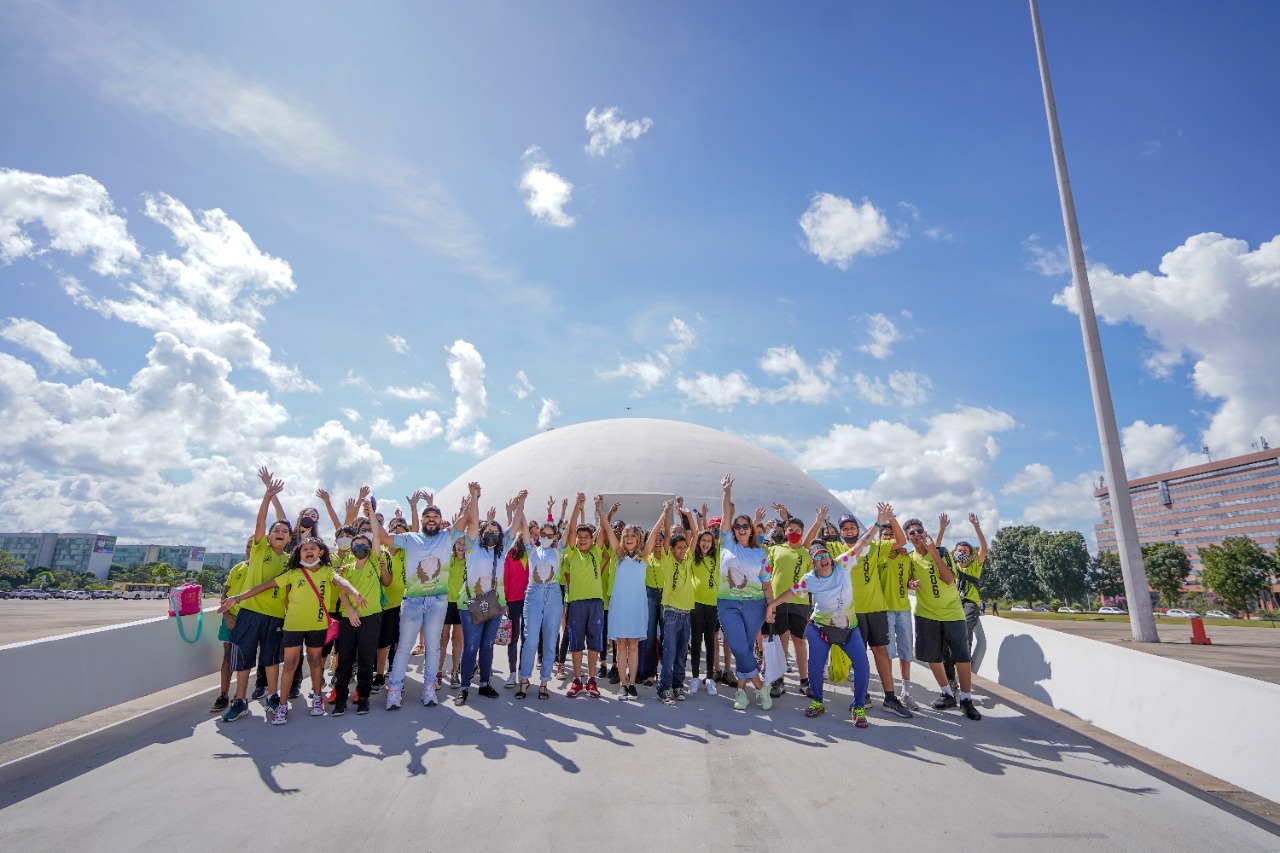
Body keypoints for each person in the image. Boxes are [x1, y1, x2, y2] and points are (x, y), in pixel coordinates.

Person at [219, 535, 365, 725]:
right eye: (305, 549)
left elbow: (340, 581)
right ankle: (281, 704)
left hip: (317, 625)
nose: (309, 551)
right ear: (299, 553)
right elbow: (265, 585)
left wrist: (354, 592)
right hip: (293, 626)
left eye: (313, 548)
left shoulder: (328, 571)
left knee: (315, 662)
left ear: (321, 552)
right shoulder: (294, 573)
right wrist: (237, 598)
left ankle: (317, 698)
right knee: (289, 664)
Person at [819, 504, 913, 718]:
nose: (849, 531)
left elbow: (900, 541)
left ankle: (890, 698)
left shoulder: (876, 547)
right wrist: (819, 522)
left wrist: (892, 519)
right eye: (844, 528)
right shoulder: (836, 550)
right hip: (852, 612)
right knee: (858, 656)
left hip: (876, 609)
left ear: (858, 530)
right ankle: (862, 696)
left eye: (852, 527)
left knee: (881, 652)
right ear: (840, 532)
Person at [766, 542, 871, 727]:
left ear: (830, 557)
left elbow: (862, 544)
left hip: (848, 628)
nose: (823, 560)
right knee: (815, 666)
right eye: (818, 557)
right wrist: (773, 604)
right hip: (820, 628)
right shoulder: (810, 579)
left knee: (862, 664)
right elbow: (791, 592)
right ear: (813, 562)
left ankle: (859, 706)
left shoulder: (843, 564)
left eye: (825, 555)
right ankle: (818, 702)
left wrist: (878, 523)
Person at [220, 472, 293, 723]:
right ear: (269, 536)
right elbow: (261, 522)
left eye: (285, 531)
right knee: (243, 661)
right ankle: (240, 700)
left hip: (275, 616)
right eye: (277, 530)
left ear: (289, 539)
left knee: (271, 660)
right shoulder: (260, 549)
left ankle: (273, 696)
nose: (280, 533)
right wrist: (267, 495)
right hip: (249, 613)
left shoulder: (290, 561)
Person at [378, 490, 455, 709]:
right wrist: (372, 514)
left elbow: (465, 522)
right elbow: (384, 538)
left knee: (433, 647)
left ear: (440, 520)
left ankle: (429, 689)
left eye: (435, 517)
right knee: (403, 647)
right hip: (412, 600)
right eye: (427, 517)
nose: (431, 520)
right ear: (421, 520)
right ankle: (394, 690)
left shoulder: (447, 536)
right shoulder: (410, 538)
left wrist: (473, 498)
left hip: (437, 600)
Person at [902, 518, 982, 721]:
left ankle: (966, 698)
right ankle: (947, 693)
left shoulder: (944, 552)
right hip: (926, 614)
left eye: (919, 530)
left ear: (924, 531)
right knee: (933, 657)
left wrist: (934, 553)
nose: (917, 534)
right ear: (907, 538)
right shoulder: (909, 558)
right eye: (912, 533)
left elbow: (948, 579)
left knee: (961, 657)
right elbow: (905, 582)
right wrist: (910, 584)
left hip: (952, 613)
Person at [454, 482, 516, 706]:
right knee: (471, 646)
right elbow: (472, 521)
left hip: (495, 604)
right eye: (487, 532)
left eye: (495, 532)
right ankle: (463, 687)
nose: (492, 534)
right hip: (470, 602)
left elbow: (515, 525)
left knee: (487, 645)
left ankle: (485, 683)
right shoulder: (472, 547)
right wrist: (474, 497)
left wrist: (520, 505)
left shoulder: (501, 551)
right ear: (480, 534)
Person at [717, 474, 774, 711]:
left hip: (755, 605)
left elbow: (767, 585)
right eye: (736, 526)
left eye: (744, 526)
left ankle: (741, 692)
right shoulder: (726, 544)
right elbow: (726, 515)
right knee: (739, 646)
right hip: (728, 604)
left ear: (751, 530)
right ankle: (761, 688)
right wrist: (727, 493)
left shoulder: (761, 554)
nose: (740, 529)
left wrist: (770, 607)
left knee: (746, 646)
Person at [600, 498, 662, 700]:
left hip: (636, 606)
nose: (628, 539)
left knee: (633, 644)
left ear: (638, 539)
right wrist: (600, 509)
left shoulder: (643, 557)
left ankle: (632, 683)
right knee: (621, 644)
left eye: (632, 536)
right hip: (620, 606)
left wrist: (664, 513)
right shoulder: (618, 555)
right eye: (626, 536)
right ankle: (622, 683)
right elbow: (609, 531)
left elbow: (653, 535)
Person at [332, 509, 389, 716]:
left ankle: (363, 696)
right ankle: (340, 699)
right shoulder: (346, 567)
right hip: (349, 619)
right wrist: (350, 612)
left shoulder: (375, 560)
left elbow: (376, 532)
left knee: (366, 659)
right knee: (345, 661)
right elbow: (342, 594)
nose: (360, 547)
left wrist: (371, 514)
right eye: (356, 544)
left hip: (372, 617)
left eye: (364, 544)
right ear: (351, 548)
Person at [511, 495, 565, 701]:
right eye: (543, 534)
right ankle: (524, 680)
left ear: (555, 537)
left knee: (550, 640)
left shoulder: (558, 551)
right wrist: (521, 505)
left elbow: (568, 531)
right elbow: (523, 526)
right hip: (533, 594)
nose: (546, 537)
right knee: (530, 640)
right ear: (539, 534)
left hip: (553, 595)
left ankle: (544, 682)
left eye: (550, 535)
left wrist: (577, 507)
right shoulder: (532, 551)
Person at [559, 492, 609, 699]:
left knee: (594, 644)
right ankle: (577, 680)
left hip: (595, 603)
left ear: (592, 539)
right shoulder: (571, 553)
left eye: (586, 537)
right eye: (579, 537)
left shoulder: (597, 552)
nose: (581, 540)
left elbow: (604, 530)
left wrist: (599, 509)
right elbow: (571, 529)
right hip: (576, 603)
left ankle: (591, 680)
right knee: (576, 643)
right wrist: (577, 507)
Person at [766, 510, 813, 698]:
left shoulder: (808, 554)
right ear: (785, 532)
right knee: (781, 641)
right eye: (790, 529)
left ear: (802, 532)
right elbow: (766, 573)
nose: (794, 532)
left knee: (800, 641)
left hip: (799, 602)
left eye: (798, 530)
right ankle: (779, 680)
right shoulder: (775, 549)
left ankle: (804, 681)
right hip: (778, 601)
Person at [654, 500, 697, 706]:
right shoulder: (669, 559)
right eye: (678, 547)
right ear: (671, 549)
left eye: (684, 547)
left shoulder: (688, 559)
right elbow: (666, 535)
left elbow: (695, 536)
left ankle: (678, 684)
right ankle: (664, 687)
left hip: (686, 613)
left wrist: (687, 516)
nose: (682, 550)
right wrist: (667, 511)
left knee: (681, 652)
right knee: (669, 652)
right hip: (671, 613)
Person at [876, 522, 921, 711]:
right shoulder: (878, 557)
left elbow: (910, 581)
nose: (888, 538)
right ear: (880, 538)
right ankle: (890, 691)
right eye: (885, 535)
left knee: (906, 652)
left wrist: (913, 584)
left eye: (892, 535)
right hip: (884, 610)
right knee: (887, 653)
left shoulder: (906, 558)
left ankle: (906, 691)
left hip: (903, 609)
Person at [937, 512, 989, 675]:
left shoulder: (974, 566)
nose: (962, 553)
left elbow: (984, 548)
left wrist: (976, 526)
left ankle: (964, 657)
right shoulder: (951, 565)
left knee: (965, 626)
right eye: (959, 550)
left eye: (965, 551)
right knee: (945, 635)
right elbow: (936, 549)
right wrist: (942, 529)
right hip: (952, 602)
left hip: (969, 602)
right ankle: (951, 673)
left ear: (971, 555)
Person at [210, 539, 252, 714]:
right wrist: (227, 615)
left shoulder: (263, 569)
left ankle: (240, 696)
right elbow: (225, 593)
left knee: (245, 657)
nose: (250, 550)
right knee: (227, 656)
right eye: (248, 547)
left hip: (250, 618)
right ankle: (223, 694)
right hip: (231, 618)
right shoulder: (238, 567)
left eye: (253, 547)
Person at [372, 510, 410, 695]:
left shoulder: (405, 553)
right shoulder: (383, 554)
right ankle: (379, 675)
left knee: (397, 640)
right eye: (396, 532)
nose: (399, 536)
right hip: (383, 605)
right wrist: (371, 514)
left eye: (403, 533)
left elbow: (417, 533)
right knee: (382, 643)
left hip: (400, 604)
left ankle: (394, 672)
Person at [688, 527, 720, 696]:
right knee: (696, 641)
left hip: (712, 604)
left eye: (709, 540)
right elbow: (693, 535)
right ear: (699, 542)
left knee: (710, 641)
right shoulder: (694, 557)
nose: (706, 543)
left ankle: (709, 678)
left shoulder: (717, 557)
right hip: (696, 604)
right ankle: (694, 677)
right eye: (703, 540)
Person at [503, 523, 529, 688]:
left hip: (529, 602)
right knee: (513, 638)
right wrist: (504, 600)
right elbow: (505, 578)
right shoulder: (511, 555)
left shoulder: (535, 554)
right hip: (513, 600)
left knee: (526, 638)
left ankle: (522, 672)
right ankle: (512, 672)